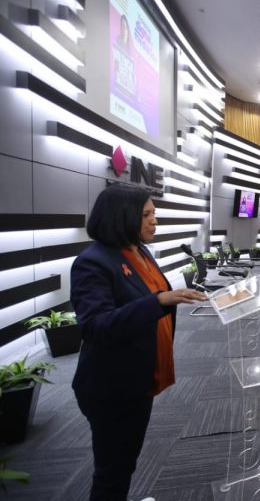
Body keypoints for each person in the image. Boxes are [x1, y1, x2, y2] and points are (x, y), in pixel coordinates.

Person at [70, 185, 208, 500]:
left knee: (125, 462)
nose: (154, 221)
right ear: (123, 216)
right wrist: (159, 300)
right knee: (112, 472)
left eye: (154, 214)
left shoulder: (138, 251)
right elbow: (96, 326)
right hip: (111, 388)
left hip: (138, 381)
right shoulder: (93, 262)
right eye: (146, 214)